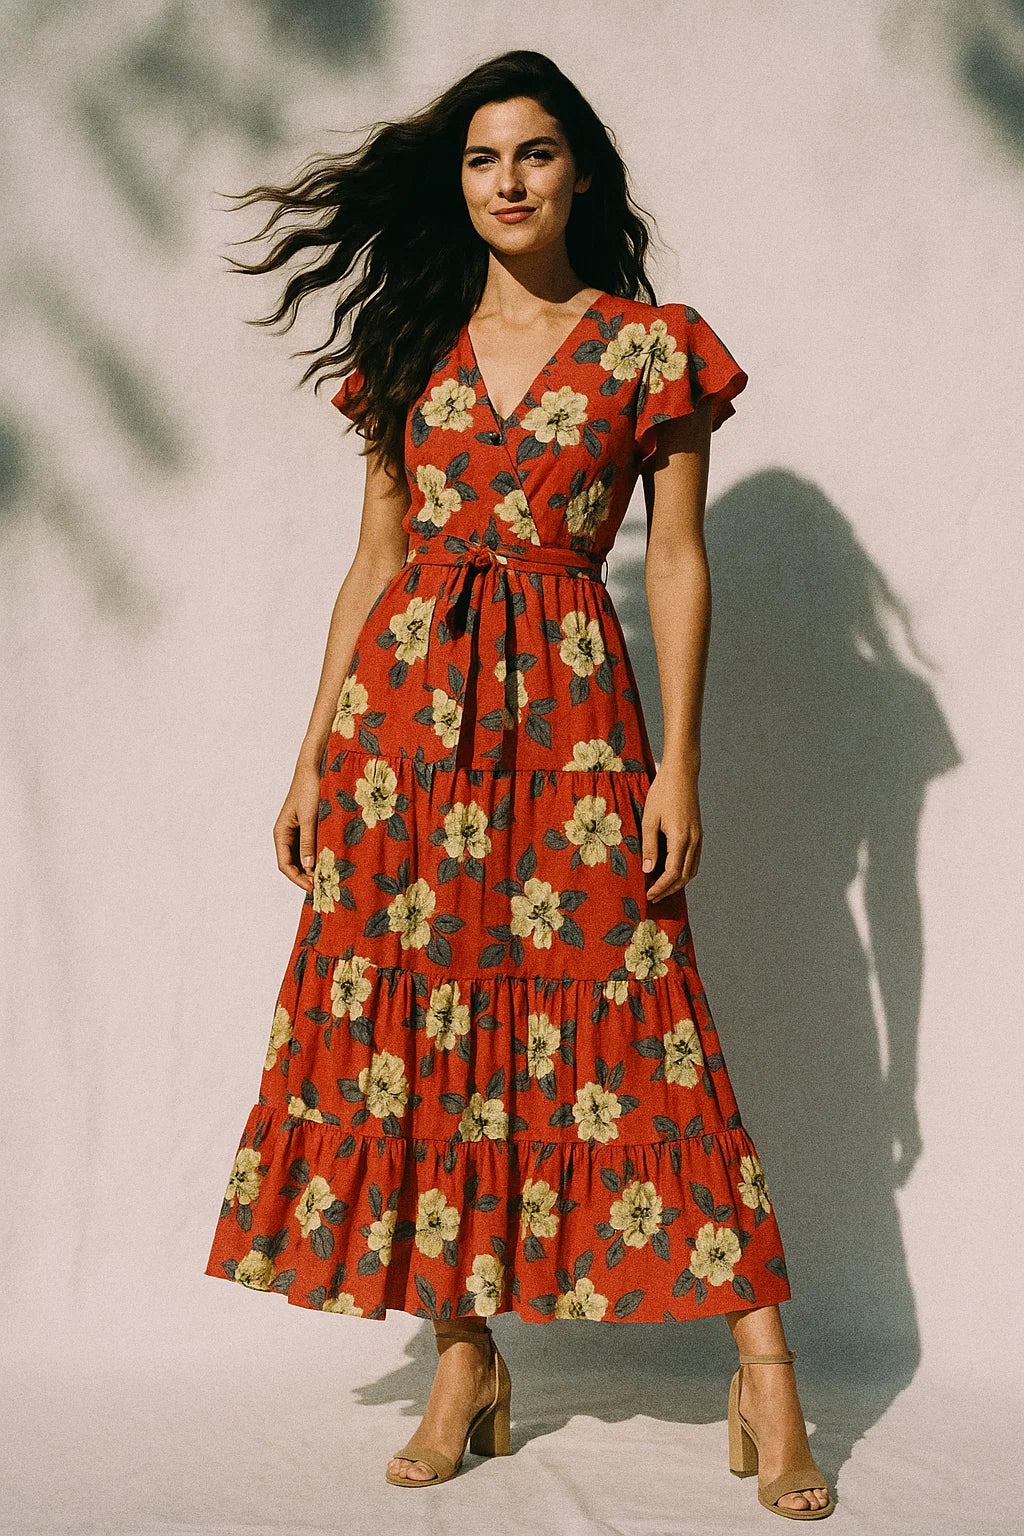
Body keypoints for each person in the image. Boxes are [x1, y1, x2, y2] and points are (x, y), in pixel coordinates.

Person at [204, 48, 833, 1520]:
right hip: (406, 737)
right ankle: (465, 1363)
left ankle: (766, 1373)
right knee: (427, 1034)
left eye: (535, 154)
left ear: (579, 172)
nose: (507, 181)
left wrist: (678, 762)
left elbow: (675, 561)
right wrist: (312, 755)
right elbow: (377, 559)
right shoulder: (411, 343)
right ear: (460, 180)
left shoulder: (651, 348)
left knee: (647, 1026)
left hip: (574, 730)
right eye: (483, 158)